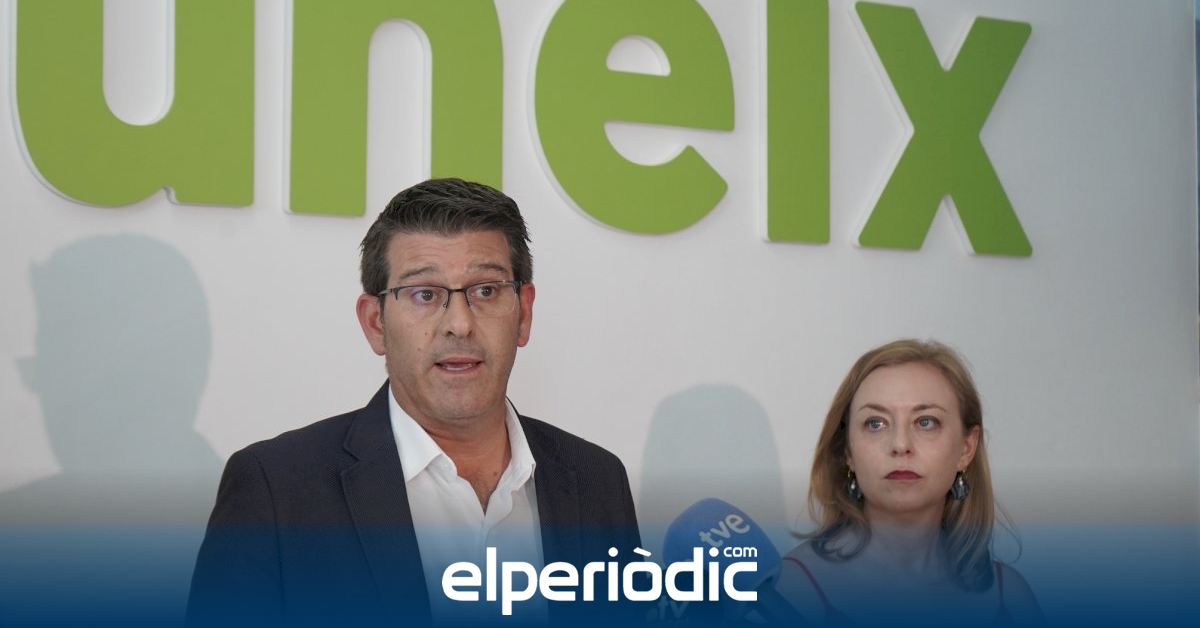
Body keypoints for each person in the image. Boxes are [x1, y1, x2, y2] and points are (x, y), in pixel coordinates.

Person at [188, 178, 641, 626]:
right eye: (425, 294)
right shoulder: (277, 491)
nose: (459, 324)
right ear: (375, 323)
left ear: (524, 313)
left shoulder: (596, 482)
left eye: (486, 290)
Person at [776, 339, 1042, 624]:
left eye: (926, 422)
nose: (900, 445)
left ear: (966, 448)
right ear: (847, 452)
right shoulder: (793, 590)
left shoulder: (1010, 597)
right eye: (876, 423)